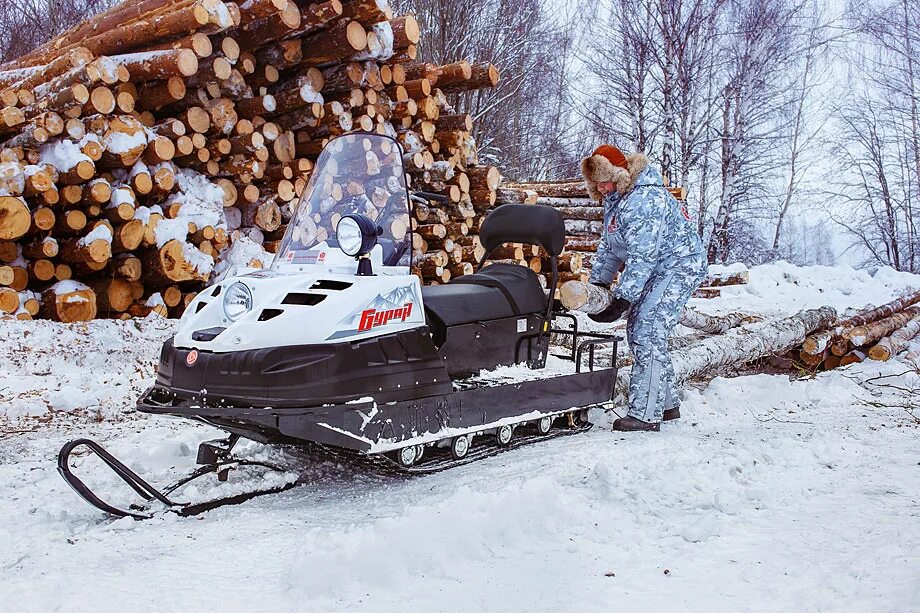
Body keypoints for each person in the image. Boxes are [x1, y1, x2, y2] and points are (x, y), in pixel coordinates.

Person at [580, 144, 708, 432]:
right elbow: (610, 247)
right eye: (595, 183)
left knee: (647, 328)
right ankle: (666, 404)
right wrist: (599, 283)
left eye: (604, 180)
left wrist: (623, 298)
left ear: (619, 173)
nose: (600, 188)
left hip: (679, 264)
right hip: (658, 266)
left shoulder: (644, 198)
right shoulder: (617, 199)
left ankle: (646, 414)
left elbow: (642, 255)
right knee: (642, 328)